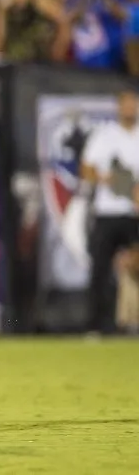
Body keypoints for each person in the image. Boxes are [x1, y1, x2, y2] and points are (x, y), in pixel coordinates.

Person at [80, 90, 139, 334]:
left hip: (134, 213)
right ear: (118, 107)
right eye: (126, 104)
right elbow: (86, 170)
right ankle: (98, 325)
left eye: (133, 104)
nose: (130, 108)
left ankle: (132, 321)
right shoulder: (105, 135)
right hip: (108, 212)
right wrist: (110, 179)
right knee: (100, 269)